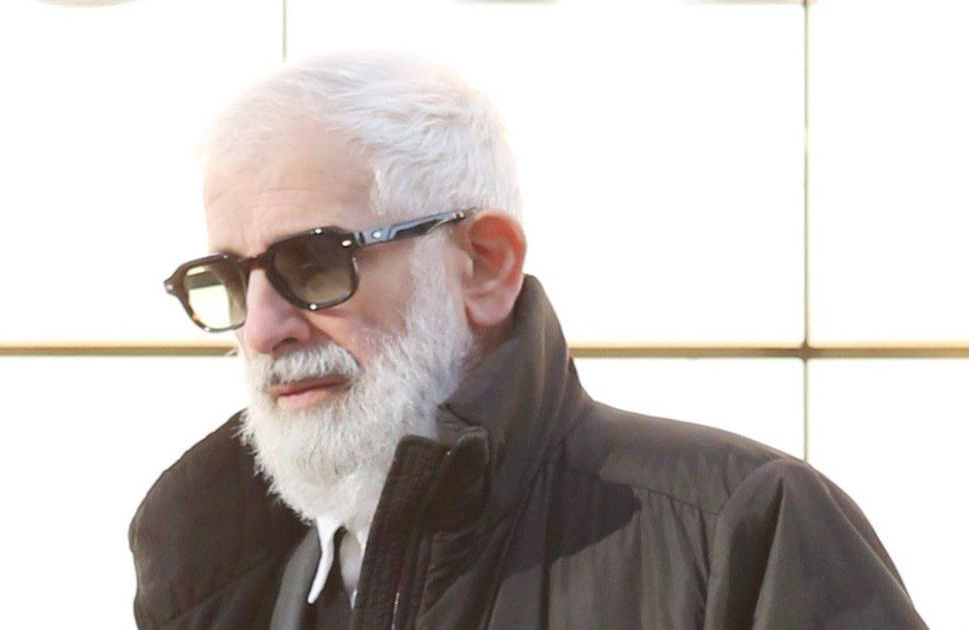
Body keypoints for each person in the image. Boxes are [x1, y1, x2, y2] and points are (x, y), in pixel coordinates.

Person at [129, 52, 927, 629]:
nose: (263, 329)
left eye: (313, 262)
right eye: (229, 279)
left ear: (484, 265)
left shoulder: (742, 533)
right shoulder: (215, 582)